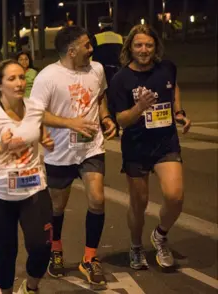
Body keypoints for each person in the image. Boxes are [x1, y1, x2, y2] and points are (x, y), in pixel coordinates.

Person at [30, 26, 116, 286]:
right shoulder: (48, 77)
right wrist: (70, 123)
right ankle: (55, 249)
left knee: (97, 199)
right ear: (71, 50)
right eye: (87, 45)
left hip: (91, 148)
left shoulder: (97, 70)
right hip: (60, 153)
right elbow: (36, 113)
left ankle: (89, 258)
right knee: (57, 207)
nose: (92, 49)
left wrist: (105, 117)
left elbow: (100, 96)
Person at [0, 59, 54, 294]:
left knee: (42, 247)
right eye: (12, 79)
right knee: (6, 252)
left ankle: (31, 287)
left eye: (21, 77)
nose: (19, 83)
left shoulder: (34, 107)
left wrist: (46, 139)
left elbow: (39, 126)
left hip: (34, 189)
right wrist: (0, 148)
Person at [109, 24, 191, 271]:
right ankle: (135, 246)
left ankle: (161, 235)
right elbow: (121, 119)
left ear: (156, 47)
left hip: (165, 142)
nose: (144, 50)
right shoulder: (120, 79)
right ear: (130, 48)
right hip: (136, 146)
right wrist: (139, 108)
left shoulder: (167, 68)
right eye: (138, 45)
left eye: (149, 45)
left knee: (175, 196)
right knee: (139, 203)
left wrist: (178, 111)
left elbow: (173, 86)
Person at [91, 16, 124, 136]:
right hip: (117, 70)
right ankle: (116, 124)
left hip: (102, 70)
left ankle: (105, 125)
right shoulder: (119, 37)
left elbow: (91, 55)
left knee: (102, 97)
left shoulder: (96, 38)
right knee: (115, 97)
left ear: (101, 25)